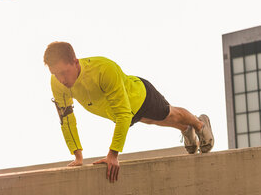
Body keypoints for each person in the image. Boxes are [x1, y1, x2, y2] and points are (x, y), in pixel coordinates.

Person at [44, 41, 214, 183]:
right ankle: (185, 129)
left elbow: (124, 113)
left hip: (140, 96)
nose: (61, 80)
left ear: (75, 61)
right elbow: (66, 119)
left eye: (64, 72)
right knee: (152, 121)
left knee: (169, 114)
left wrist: (113, 154)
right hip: (120, 113)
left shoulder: (104, 69)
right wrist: (78, 156)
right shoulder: (57, 83)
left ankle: (199, 124)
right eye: (55, 74)